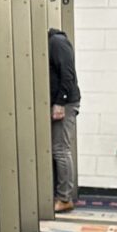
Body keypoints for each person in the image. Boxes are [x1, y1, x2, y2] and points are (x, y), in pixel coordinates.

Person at [48, 21, 80, 212]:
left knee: (60, 149)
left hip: (65, 103)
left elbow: (68, 74)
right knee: (57, 150)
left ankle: (64, 198)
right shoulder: (50, 42)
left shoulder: (57, 41)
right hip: (56, 102)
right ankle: (60, 194)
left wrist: (60, 102)